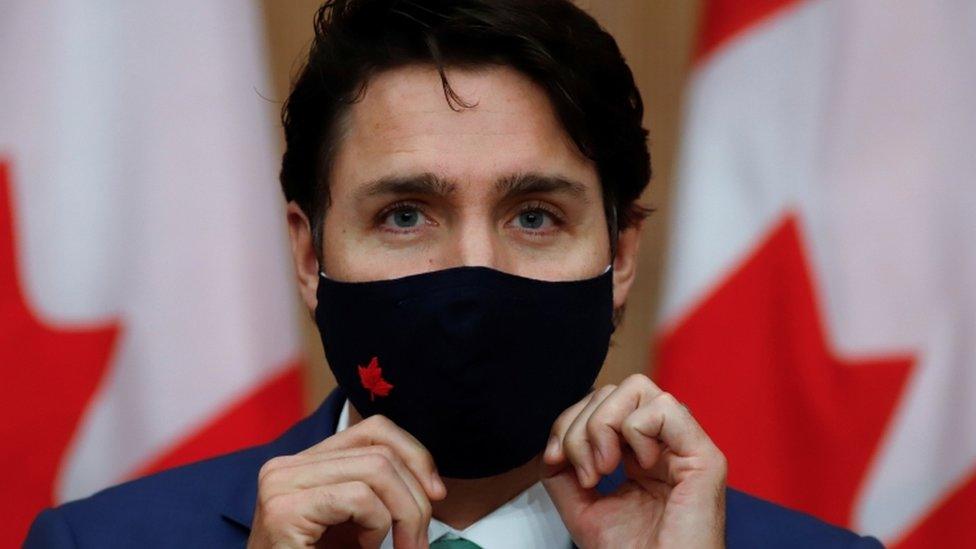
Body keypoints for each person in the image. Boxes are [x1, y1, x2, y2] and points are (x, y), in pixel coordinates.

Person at [25, 1, 884, 547]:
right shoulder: (96, 542)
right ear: (309, 254)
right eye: (404, 214)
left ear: (620, 256)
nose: (473, 271)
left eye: (535, 216)